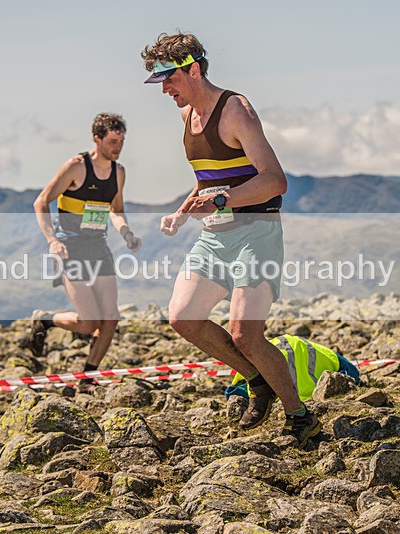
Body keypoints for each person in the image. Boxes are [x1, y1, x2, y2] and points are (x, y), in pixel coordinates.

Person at [142, 32, 321, 446]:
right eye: (159, 82)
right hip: (215, 235)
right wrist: (182, 213)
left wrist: (225, 199)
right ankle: (257, 380)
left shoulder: (236, 110)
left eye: (169, 78)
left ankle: (299, 416)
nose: (165, 89)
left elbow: (276, 181)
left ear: (194, 69)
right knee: (183, 317)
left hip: (257, 230)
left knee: (245, 334)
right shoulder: (186, 115)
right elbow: (207, 179)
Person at [32, 113, 141, 393]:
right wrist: (52, 240)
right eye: (113, 141)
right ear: (97, 139)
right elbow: (41, 202)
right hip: (71, 249)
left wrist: (126, 233)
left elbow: (116, 211)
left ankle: (88, 376)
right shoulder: (76, 167)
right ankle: (46, 319)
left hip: (98, 247)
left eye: (122, 142)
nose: (118, 147)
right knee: (89, 321)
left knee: (111, 318)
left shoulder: (119, 172)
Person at [226, 335, 360, 401]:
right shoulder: (324, 354)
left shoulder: (258, 354)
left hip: (275, 395)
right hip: (303, 395)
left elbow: (233, 392)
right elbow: (352, 374)